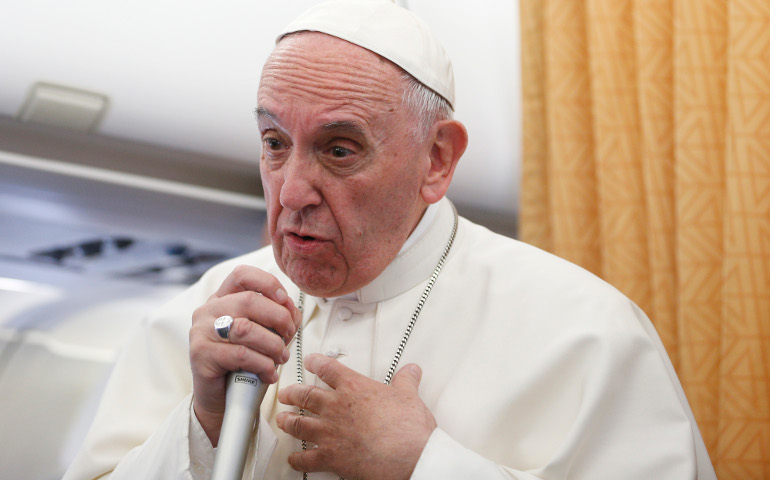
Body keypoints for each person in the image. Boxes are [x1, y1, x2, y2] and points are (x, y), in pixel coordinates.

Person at [63, 1, 717, 479]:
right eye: (273, 144)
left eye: (339, 149)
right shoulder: (209, 314)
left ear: (436, 159)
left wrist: (427, 465)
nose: (291, 192)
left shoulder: (586, 330)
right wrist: (201, 425)